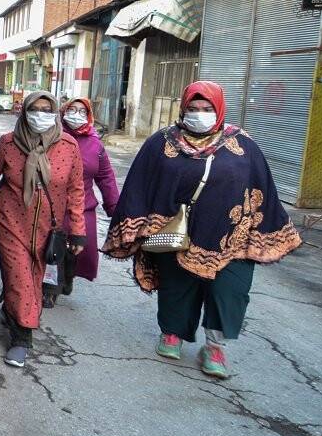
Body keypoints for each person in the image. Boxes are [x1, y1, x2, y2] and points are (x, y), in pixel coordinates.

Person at [103, 81, 301, 379]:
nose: (199, 114)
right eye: (193, 109)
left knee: (230, 291)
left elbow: (264, 189)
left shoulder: (243, 145)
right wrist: (135, 224)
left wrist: (267, 229)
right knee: (176, 286)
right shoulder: (162, 142)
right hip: (176, 231)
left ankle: (214, 346)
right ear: (183, 109)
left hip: (231, 236)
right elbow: (139, 185)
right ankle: (172, 333)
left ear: (219, 109)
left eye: (207, 109)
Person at [0, 91, 86, 368]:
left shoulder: (68, 146)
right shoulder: (8, 143)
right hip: (10, 220)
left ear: (55, 112)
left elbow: (76, 189)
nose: (40, 114)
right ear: (24, 111)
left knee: (33, 277)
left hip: (48, 226)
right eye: (35, 108)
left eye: (47, 109)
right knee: (19, 274)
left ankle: (13, 309)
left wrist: (78, 228)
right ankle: (22, 338)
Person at [43, 98, 120, 308]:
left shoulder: (95, 144)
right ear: (63, 112)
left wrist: (115, 207)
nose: (76, 115)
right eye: (72, 110)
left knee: (77, 250)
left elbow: (106, 177)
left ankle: (68, 278)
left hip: (83, 207)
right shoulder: (51, 136)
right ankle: (50, 289)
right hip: (52, 205)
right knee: (51, 247)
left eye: (81, 112)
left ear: (89, 117)